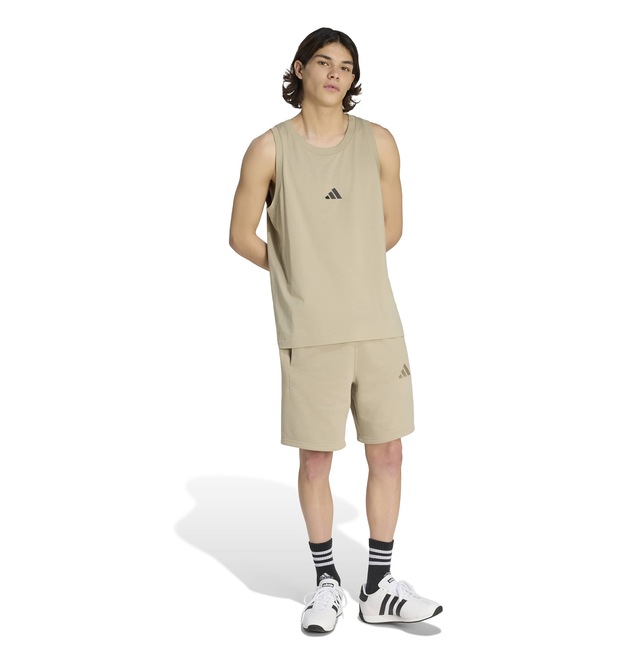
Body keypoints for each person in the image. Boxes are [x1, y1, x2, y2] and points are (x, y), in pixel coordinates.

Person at [228, 27, 442, 633]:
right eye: (323, 62)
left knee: (389, 453)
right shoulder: (268, 149)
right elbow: (241, 235)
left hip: (377, 323)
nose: (335, 74)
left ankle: (378, 586)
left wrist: (343, 266)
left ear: (353, 79)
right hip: (310, 329)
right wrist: (296, 274)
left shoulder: (379, 142)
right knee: (316, 459)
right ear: (300, 69)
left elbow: (390, 229)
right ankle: (326, 582)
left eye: (346, 67)